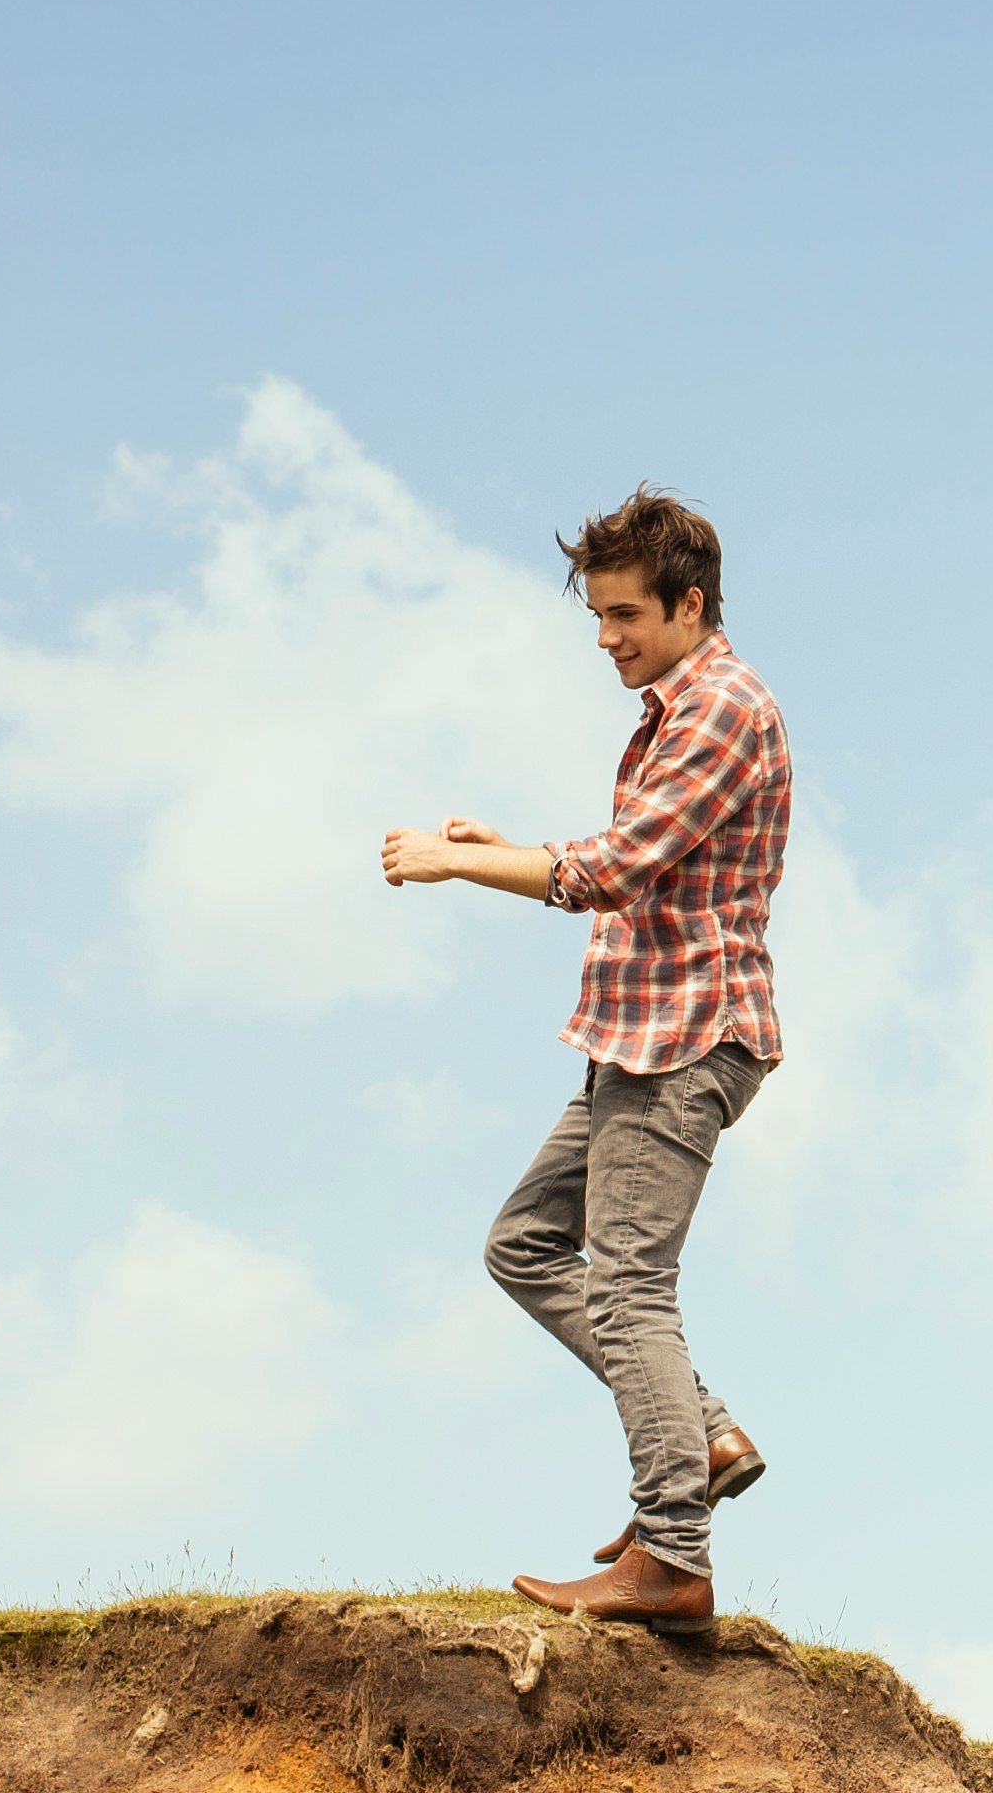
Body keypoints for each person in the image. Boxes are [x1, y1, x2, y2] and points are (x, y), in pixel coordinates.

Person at [379, 487, 791, 1632]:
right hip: (635, 1033)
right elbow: (623, 858)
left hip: (685, 1037)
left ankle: (671, 1555)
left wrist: (467, 865)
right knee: (524, 1245)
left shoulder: (722, 708)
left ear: (687, 603)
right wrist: (503, 846)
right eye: (598, 616)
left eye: (622, 615)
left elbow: (617, 868)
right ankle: (697, 1429)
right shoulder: (676, 707)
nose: (605, 637)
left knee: (626, 1283)